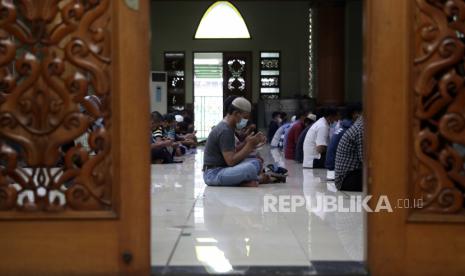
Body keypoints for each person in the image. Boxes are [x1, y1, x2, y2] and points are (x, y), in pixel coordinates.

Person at [203, 97, 264, 187]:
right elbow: (231, 161)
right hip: (213, 174)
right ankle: (257, 179)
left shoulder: (228, 127)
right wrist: (249, 146)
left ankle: (244, 181)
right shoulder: (225, 130)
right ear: (236, 113)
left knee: (256, 162)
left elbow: (232, 151)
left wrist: (249, 143)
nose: (246, 121)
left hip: (223, 169)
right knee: (250, 168)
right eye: (245, 117)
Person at [325, 103, 363, 179]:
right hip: (337, 171)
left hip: (332, 168)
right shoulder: (354, 129)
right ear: (355, 114)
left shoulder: (343, 127)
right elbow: (362, 157)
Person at [335, 116, 364, 191]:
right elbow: (364, 159)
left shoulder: (358, 126)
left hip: (344, 178)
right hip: (347, 180)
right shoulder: (361, 129)